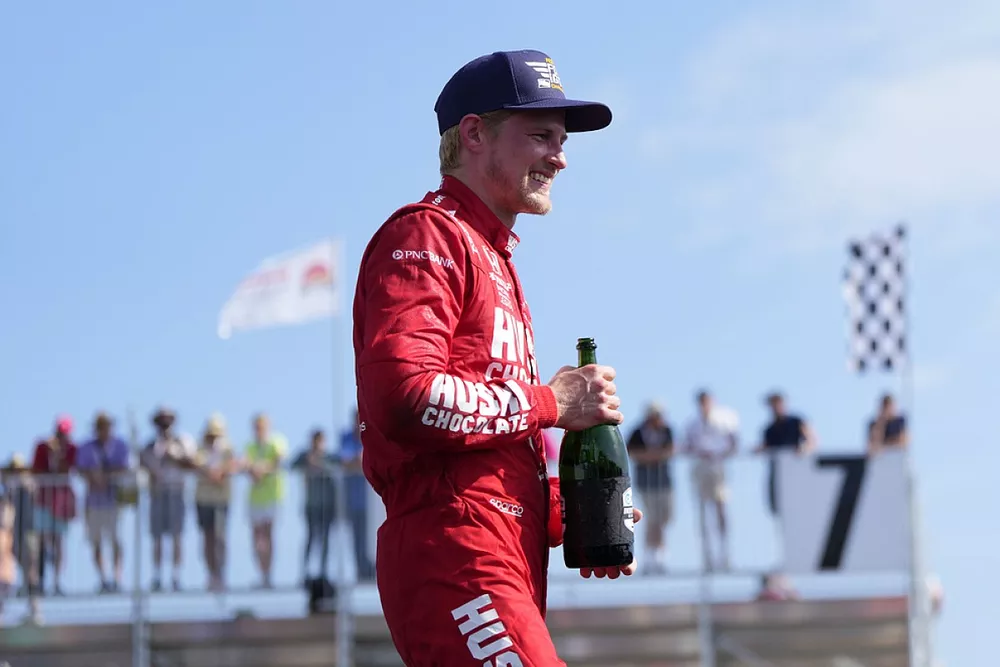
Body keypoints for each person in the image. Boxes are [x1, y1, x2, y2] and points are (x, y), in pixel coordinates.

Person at [352, 49, 640, 666]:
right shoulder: (426, 234)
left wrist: (572, 509)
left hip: (497, 551)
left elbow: (484, 452)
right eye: (540, 135)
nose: (559, 157)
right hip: (455, 551)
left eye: (562, 141)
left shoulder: (492, 254)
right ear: (474, 134)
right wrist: (550, 402)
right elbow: (407, 398)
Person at [140, 406, 196, 592]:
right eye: (161, 422)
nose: (164, 426)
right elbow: (142, 465)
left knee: (176, 535)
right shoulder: (149, 446)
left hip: (176, 493)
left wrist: (175, 456)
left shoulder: (183, 441)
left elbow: (193, 464)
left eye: (167, 421)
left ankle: (175, 577)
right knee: (157, 537)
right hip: (157, 494)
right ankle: (157, 576)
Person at [75, 411, 131, 593]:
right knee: (96, 542)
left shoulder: (120, 445)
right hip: (93, 503)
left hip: (113, 502)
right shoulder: (86, 447)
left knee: (115, 540)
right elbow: (80, 469)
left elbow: (124, 467)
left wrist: (105, 476)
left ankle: (117, 578)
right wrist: (93, 477)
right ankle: (103, 579)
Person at [683, 390, 738, 572]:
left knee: (721, 509)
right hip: (701, 470)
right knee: (703, 512)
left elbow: (733, 443)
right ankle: (707, 555)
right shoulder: (692, 424)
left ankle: (725, 553)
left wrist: (718, 454)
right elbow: (687, 446)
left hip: (718, 468)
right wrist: (701, 453)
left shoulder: (725, 419)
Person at [30, 415, 78, 596]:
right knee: (42, 541)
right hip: (43, 501)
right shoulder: (42, 447)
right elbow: (36, 471)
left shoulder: (72, 449)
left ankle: (56, 582)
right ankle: (40, 580)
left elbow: (66, 470)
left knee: (58, 541)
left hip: (61, 503)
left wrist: (57, 455)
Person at [626, 402, 675, 575]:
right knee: (652, 519)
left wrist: (652, 457)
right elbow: (631, 451)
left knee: (664, 518)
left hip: (664, 482)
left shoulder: (666, 431)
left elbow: (669, 450)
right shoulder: (637, 432)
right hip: (647, 484)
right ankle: (652, 557)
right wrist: (652, 457)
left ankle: (659, 553)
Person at [193, 413, 237, 592]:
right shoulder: (200, 448)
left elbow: (233, 465)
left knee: (220, 538)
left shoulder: (228, 448)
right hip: (203, 499)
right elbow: (197, 465)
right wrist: (211, 474)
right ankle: (211, 574)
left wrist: (220, 473)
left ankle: (221, 573)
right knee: (207, 538)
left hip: (221, 500)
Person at [245, 412, 287, 589]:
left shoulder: (276, 441)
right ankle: (262, 574)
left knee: (268, 536)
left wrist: (261, 469)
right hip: (255, 499)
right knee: (257, 539)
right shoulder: (250, 446)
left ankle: (268, 574)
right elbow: (246, 464)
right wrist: (254, 469)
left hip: (272, 497)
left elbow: (279, 460)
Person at [291, 428, 339, 584]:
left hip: (327, 506)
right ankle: (305, 572)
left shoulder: (329, 457)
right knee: (311, 538)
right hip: (311, 506)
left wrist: (319, 464)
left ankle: (323, 572)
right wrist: (308, 461)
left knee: (325, 539)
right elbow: (292, 465)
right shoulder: (305, 456)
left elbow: (338, 466)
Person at [1, 455, 41, 624]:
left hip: (27, 533)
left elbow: (33, 488)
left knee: (30, 570)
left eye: (16, 470)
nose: (14, 473)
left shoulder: (28, 485)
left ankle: (34, 609)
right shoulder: (8, 491)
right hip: (11, 536)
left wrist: (20, 480)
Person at [338, 410, 375, 581]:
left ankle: (373, 568)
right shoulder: (346, 437)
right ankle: (362, 570)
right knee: (357, 537)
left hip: (373, 501)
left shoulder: (372, 434)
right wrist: (359, 460)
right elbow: (345, 461)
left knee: (371, 537)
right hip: (353, 499)